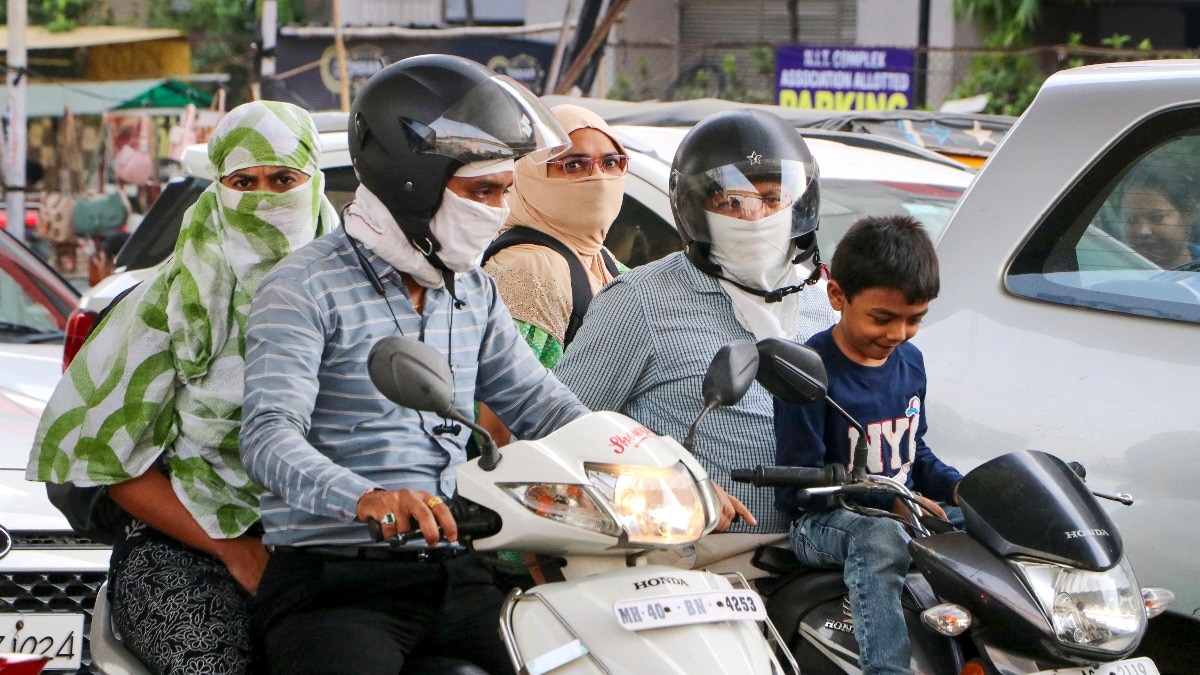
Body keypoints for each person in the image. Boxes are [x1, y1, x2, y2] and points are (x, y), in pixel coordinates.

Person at [239, 54, 590, 675]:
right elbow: (268, 436)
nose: (500, 211)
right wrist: (366, 497)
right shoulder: (304, 286)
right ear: (413, 184)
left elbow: (541, 404)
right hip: (338, 583)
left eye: (507, 191)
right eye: (483, 191)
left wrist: (652, 466)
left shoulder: (473, 290)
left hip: (457, 571)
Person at [27, 100, 336, 674]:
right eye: (244, 181)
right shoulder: (167, 302)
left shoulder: (365, 297)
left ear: (313, 184)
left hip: (332, 548)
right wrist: (232, 549)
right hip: (185, 548)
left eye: (284, 179)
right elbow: (110, 462)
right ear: (218, 189)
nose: (265, 198)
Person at [554, 108, 839, 573]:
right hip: (698, 560)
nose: (756, 217)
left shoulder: (822, 303)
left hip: (820, 553)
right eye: (731, 203)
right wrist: (671, 481)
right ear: (694, 211)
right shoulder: (641, 301)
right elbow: (562, 431)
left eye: (772, 199)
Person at [773, 215, 963, 675]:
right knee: (881, 538)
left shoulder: (910, 363)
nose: (897, 334)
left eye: (914, 320)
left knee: (985, 528)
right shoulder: (809, 371)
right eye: (883, 318)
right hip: (827, 524)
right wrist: (888, 503)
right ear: (838, 296)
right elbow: (797, 487)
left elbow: (915, 450)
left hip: (904, 510)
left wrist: (964, 489)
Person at [478, 103, 629, 445]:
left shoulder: (600, 258)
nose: (598, 177)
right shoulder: (530, 267)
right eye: (573, 165)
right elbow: (499, 421)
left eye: (610, 162)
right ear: (528, 173)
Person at [1119, 164, 1198, 268]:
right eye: (1132, 219)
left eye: (1156, 217)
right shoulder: (1112, 264)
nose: (1143, 231)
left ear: (1187, 217)